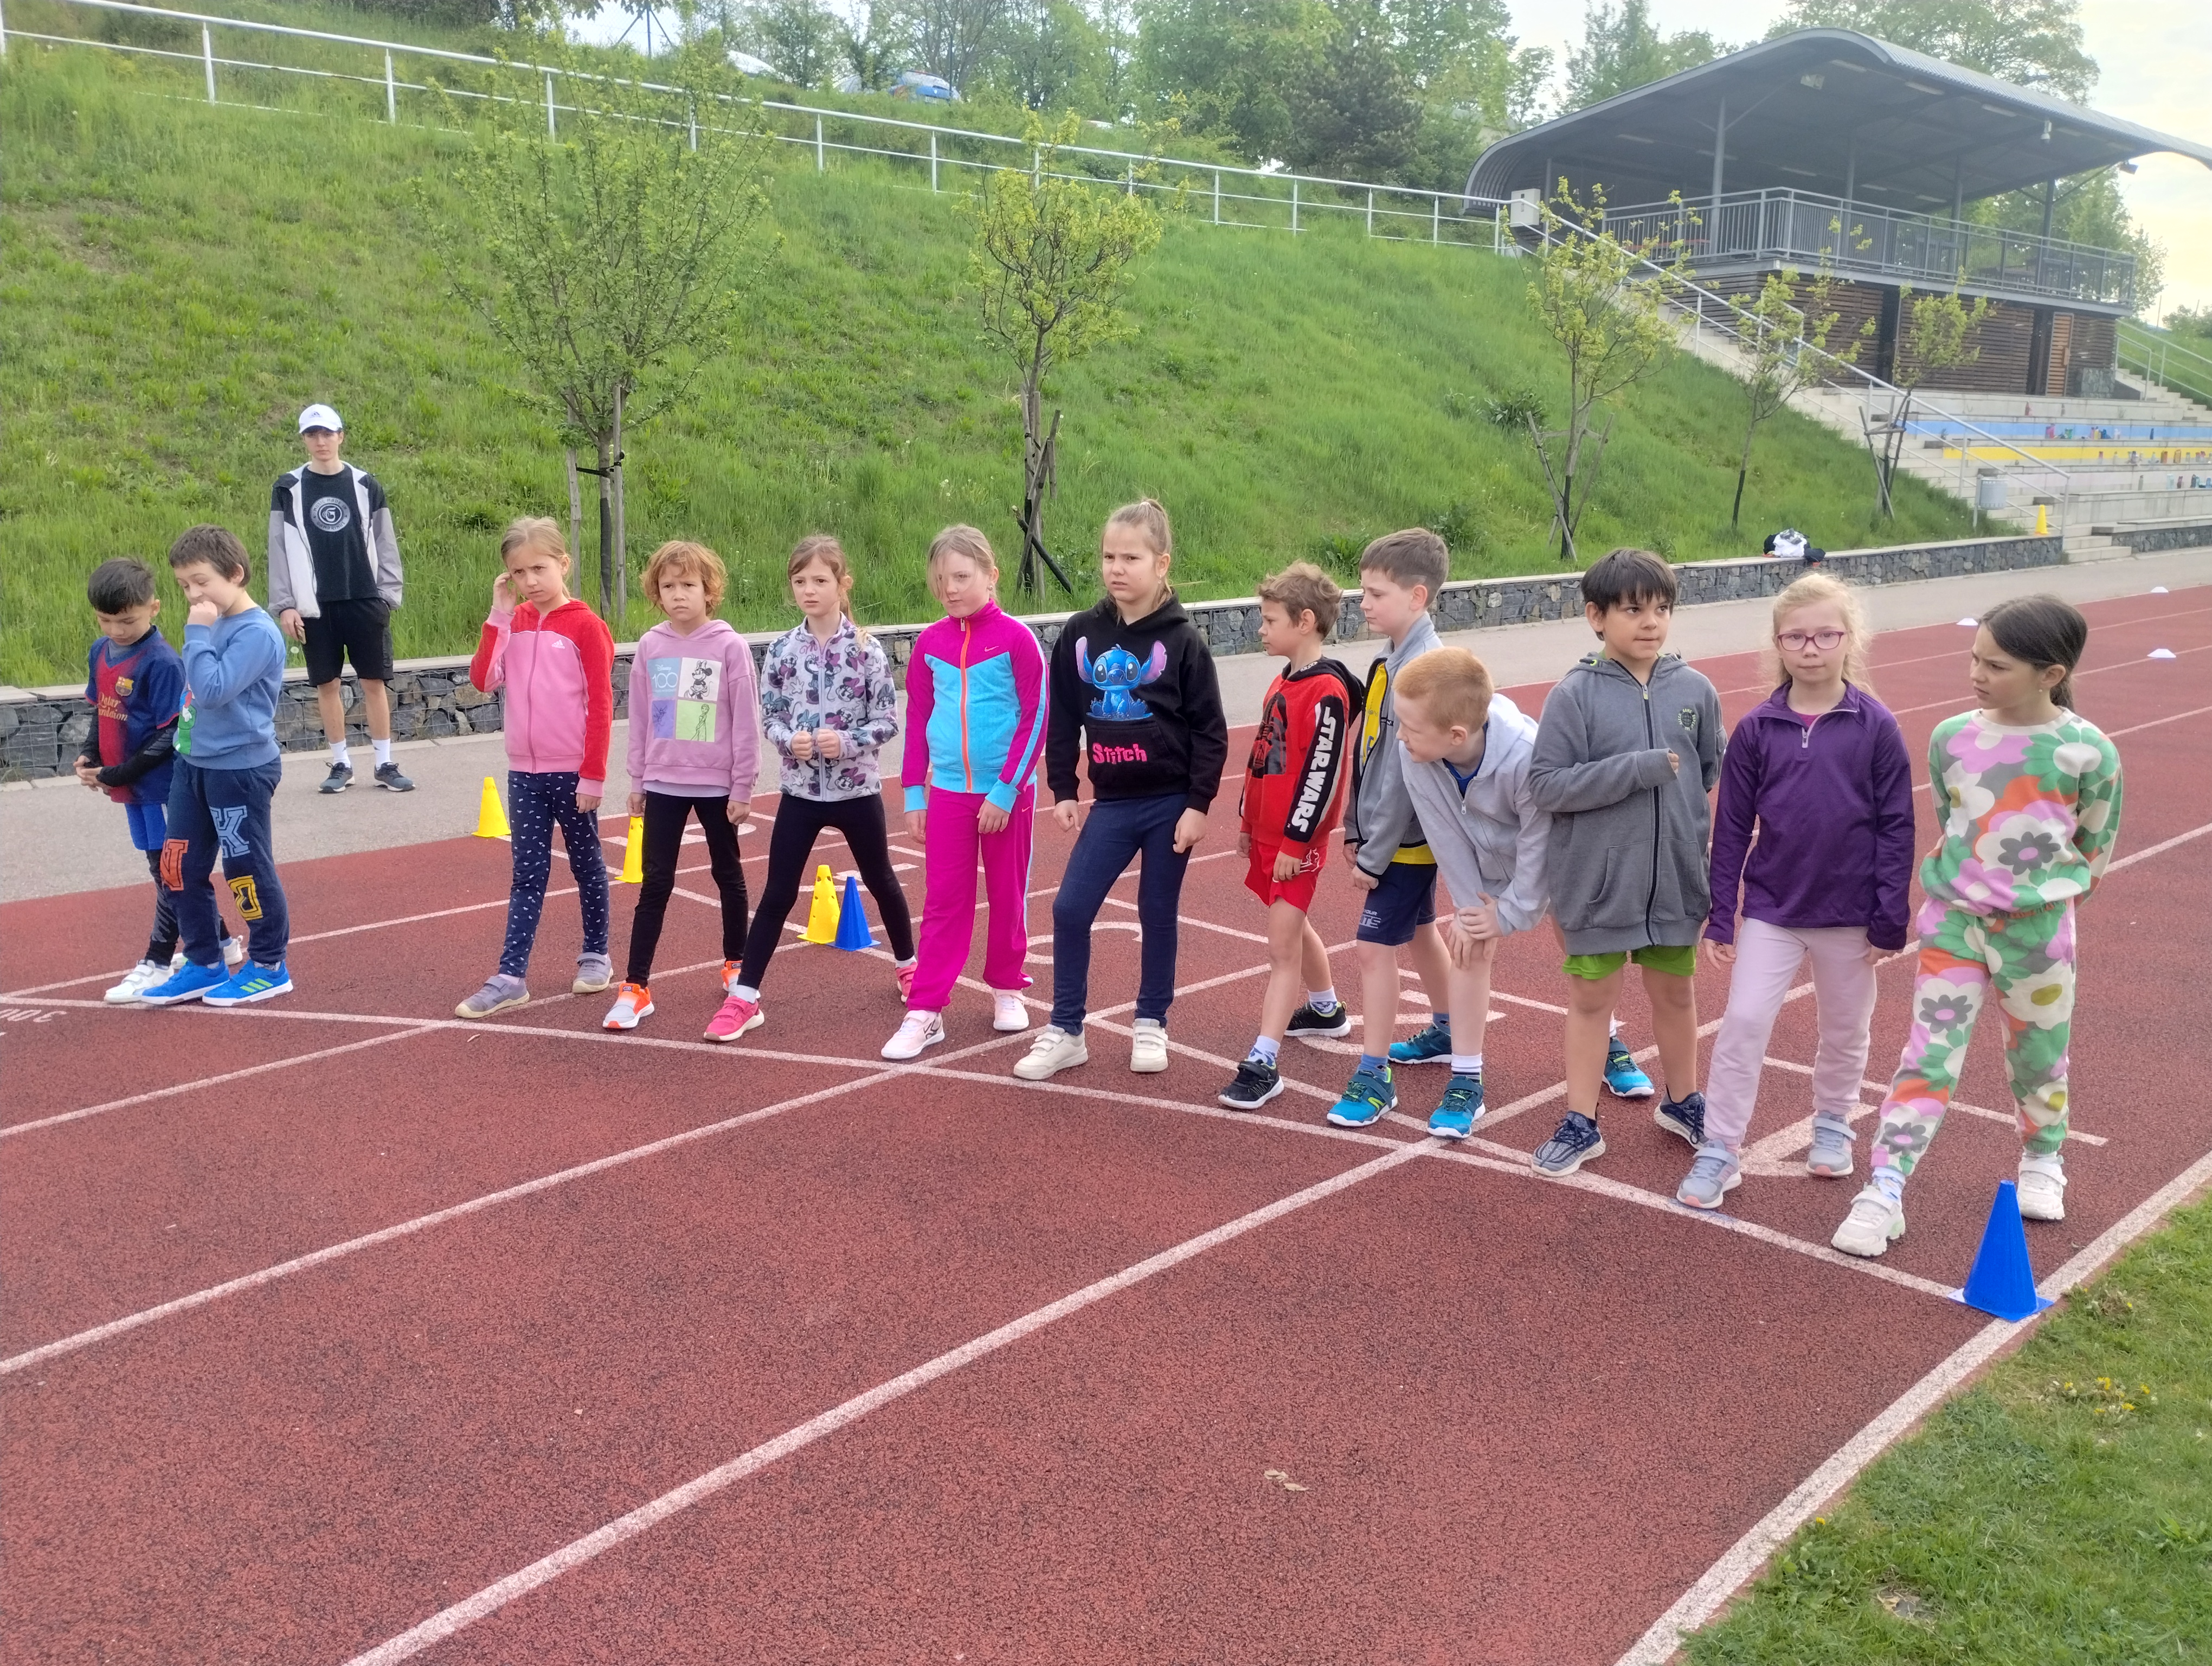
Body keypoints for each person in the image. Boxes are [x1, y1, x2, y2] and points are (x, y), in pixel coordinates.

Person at [1833, 595, 2122, 1257]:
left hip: (2039, 934)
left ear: (2051, 675)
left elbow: (2094, 846)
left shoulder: (2089, 752)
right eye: (1975, 659)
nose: (1977, 674)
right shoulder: (1951, 737)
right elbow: (1954, 820)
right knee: (1927, 1057)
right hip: (1954, 925)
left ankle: (2044, 1157)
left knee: (2039, 1055)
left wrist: (2039, 901)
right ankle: (1885, 1187)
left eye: (1996, 665)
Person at [1679, 573, 1915, 1209]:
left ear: (1850, 639)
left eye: (1826, 635)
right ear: (1778, 644)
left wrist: (1889, 915)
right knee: (1744, 1022)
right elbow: (1732, 828)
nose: (1811, 648)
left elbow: (1897, 825)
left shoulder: (1875, 726)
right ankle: (1720, 1147)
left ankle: (1833, 1120)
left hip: (1850, 914)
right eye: (1797, 637)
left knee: (1845, 1027)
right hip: (1774, 910)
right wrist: (1722, 915)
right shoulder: (1758, 729)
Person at [1525, 547, 1724, 1176]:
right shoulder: (1574, 695)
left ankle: (1684, 1102)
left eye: (1661, 609)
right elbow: (1547, 786)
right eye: (1634, 610)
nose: (1651, 622)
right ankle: (1580, 1121)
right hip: (1597, 885)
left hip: (1674, 882)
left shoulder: (1696, 690)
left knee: (1676, 994)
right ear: (1597, 616)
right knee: (1592, 1001)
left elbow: (1707, 772)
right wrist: (1635, 771)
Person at [1016, 499, 1229, 1081]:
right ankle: (1067, 1030)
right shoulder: (1081, 633)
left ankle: (1152, 1021)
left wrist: (1198, 805)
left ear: (1162, 563)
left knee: (1156, 911)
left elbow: (1210, 731)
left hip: (1169, 804)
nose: (1116, 568)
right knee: (1070, 909)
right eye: (1109, 556)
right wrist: (1064, 787)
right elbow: (1063, 715)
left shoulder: (1183, 642)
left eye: (1131, 558)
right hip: (1112, 803)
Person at [717, 535, 914, 1041]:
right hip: (800, 794)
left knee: (882, 880)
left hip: (857, 792)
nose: (809, 589)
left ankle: (909, 967)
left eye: (820, 580)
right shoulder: (782, 650)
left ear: (843, 584)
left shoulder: (867, 650)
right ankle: (745, 997)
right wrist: (791, 741)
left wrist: (845, 741)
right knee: (778, 893)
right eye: (800, 580)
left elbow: (888, 721)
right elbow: (772, 718)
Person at [882, 526, 1049, 1061]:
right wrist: (914, 793)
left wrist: (1005, 791)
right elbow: (918, 719)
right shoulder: (930, 644)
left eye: (961, 576)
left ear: (990, 576)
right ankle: (926, 1010)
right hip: (949, 793)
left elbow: (1036, 719)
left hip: (1007, 794)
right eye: (940, 579)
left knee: (1007, 894)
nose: (949, 589)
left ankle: (1007, 987)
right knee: (944, 901)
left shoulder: (1018, 640)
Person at [454, 517, 616, 1019]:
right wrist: (498, 617)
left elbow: (601, 704)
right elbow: (483, 680)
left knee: (588, 866)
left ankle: (596, 954)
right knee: (527, 873)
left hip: (572, 772)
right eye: (519, 573)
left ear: (563, 564)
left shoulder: (586, 626)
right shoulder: (515, 622)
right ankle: (510, 976)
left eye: (539, 569)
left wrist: (593, 775)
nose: (530, 581)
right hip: (524, 773)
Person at [601, 541, 760, 1037]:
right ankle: (636, 986)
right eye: (668, 586)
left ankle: (737, 964)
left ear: (709, 591)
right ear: (657, 593)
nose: (678, 594)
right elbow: (640, 718)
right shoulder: (651, 646)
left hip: (717, 785)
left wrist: (742, 785)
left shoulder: (729, 646)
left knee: (728, 875)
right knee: (655, 883)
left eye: (688, 584)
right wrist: (637, 779)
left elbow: (746, 722)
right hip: (662, 783)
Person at [1218, 561, 1360, 1110]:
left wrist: (1297, 844)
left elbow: (1322, 776)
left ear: (1304, 622)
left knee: (1281, 948)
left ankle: (1263, 1062)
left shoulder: (1326, 693)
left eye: (1270, 620)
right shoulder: (1284, 679)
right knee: (1293, 925)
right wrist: (1247, 822)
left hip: (1297, 842)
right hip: (1269, 833)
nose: (1261, 629)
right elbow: (1263, 756)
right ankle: (1326, 1009)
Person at [1394, 647, 1549, 1137]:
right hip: (1482, 861)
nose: (1400, 736)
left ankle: (1608, 1044)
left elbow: (1541, 841)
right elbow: (1443, 831)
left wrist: (1513, 912)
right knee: (1469, 944)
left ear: (1456, 736)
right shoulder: (1417, 752)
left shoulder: (1526, 756)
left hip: (1551, 862)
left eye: (1410, 727)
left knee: (1582, 950)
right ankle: (1466, 1080)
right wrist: (1470, 911)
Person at [1324, 529, 1450, 1129]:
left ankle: (1374, 1075)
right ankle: (1448, 1029)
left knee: (1374, 948)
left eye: (1377, 594)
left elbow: (1407, 775)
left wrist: (1374, 853)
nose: (1364, 603)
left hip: (1409, 841)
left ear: (1417, 596)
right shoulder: (1387, 661)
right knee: (1421, 931)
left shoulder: (1426, 671)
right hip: (1386, 833)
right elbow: (1368, 751)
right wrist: (1355, 822)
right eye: (1364, 591)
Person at [137, 527, 294, 1008]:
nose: (192, 594)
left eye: (201, 581)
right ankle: (204, 961)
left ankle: (269, 965)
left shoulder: (256, 633)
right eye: (184, 585)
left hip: (239, 770)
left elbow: (210, 689)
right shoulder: (212, 625)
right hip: (193, 765)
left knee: (245, 868)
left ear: (236, 574)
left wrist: (197, 633)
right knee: (177, 866)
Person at [76, 557, 243, 1002]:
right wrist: (91, 755)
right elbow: (101, 708)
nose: (116, 630)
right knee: (164, 868)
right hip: (130, 786)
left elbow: (171, 733)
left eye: (127, 620)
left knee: (170, 871)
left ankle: (157, 960)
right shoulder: (100, 651)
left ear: (154, 608)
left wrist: (118, 773)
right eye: (106, 620)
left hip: (164, 786)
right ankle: (221, 941)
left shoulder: (164, 662)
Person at [267, 403, 412, 793]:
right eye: (312, 435)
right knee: (327, 685)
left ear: (341, 436)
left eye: (327, 433)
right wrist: (285, 604)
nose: (321, 441)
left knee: (374, 682)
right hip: (313, 605)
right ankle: (341, 764)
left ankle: (384, 763)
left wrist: (387, 596)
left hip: (364, 599)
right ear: (304, 439)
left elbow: (385, 541)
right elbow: (278, 547)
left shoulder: (366, 485)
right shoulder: (288, 488)